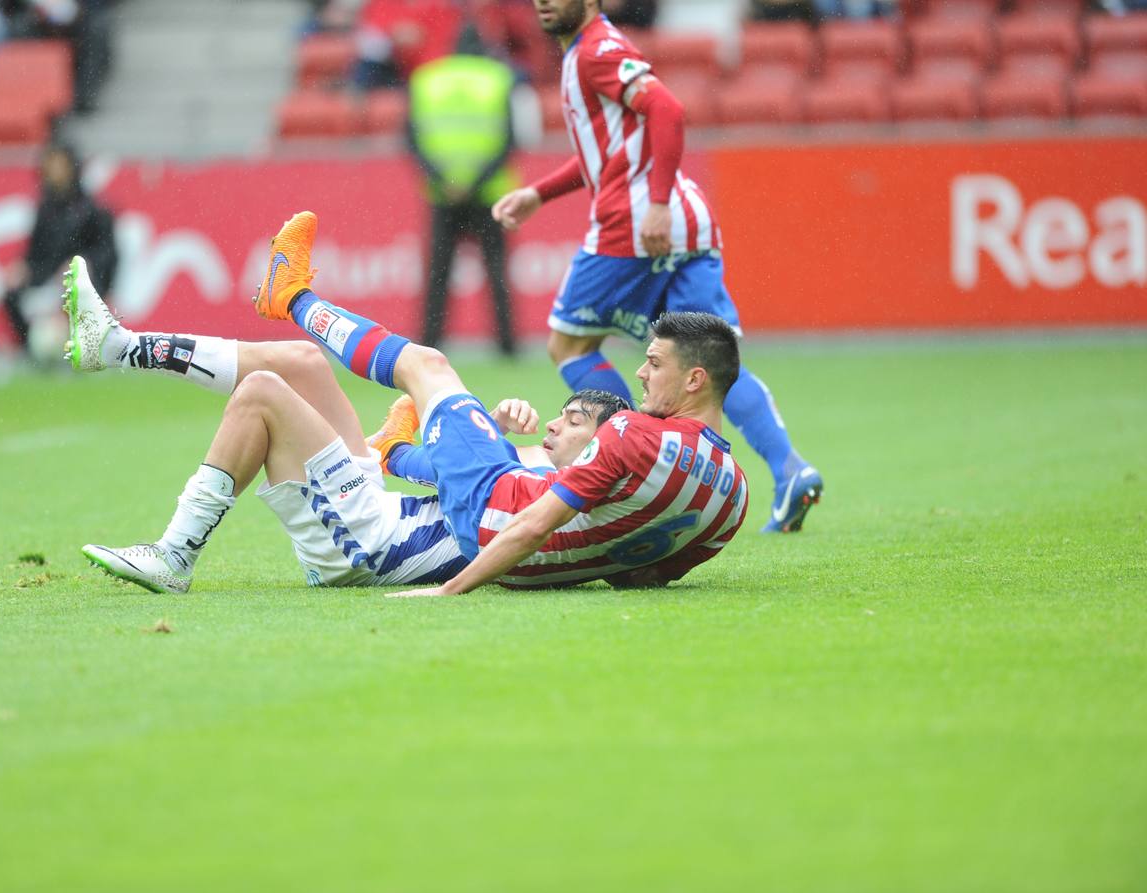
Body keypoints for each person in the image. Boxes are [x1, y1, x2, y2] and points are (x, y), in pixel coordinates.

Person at [61, 252, 628, 593]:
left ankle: (174, 554)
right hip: (379, 512)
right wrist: (486, 436)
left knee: (262, 393)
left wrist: (470, 438)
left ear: (600, 445)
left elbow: (439, 471)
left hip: (370, 544)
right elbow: (440, 472)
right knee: (304, 361)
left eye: (573, 421)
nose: (554, 425)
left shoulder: (568, 493)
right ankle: (119, 347)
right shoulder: (545, 471)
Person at [253, 211, 748, 594]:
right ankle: (394, 449)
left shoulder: (633, 431)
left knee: (428, 366)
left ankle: (291, 297)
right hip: (537, 569)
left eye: (655, 364)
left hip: (494, 518)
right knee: (527, 459)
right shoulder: (735, 499)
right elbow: (642, 576)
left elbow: (534, 524)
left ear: (694, 379)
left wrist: (452, 588)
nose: (640, 373)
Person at [490, 0, 824, 534]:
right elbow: (610, 151)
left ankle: (633, 464)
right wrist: (540, 193)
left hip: (637, 222)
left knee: (569, 346)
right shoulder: (595, 49)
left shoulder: (595, 50)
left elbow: (667, 110)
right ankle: (790, 470)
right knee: (709, 360)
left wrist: (659, 204)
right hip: (687, 220)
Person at [407, 24, 519, 355]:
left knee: (438, 273)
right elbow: (510, 139)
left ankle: (430, 342)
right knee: (496, 272)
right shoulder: (498, 78)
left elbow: (411, 139)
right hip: (489, 194)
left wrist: (444, 179)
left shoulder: (427, 79)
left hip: (443, 193)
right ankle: (507, 345)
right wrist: (477, 181)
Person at [2, 141, 117, 358]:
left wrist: (82, 265)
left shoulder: (94, 209)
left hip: (82, 279)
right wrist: (23, 267)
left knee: (77, 289)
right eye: (50, 165)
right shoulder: (44, 210)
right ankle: (31, 352)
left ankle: (83, 348)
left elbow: (108, 254)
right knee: (10, 293)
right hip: (48, 278)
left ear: (72, 168)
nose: (54, 172)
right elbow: (35, 252)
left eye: (59, 165)